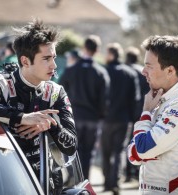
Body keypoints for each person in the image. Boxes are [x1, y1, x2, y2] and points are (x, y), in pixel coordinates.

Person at [0, 19, 77, 195]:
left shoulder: (55, 92)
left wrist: (51, 125)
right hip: (0, 182)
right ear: (25, 61)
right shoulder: (1, 84)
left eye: (54, 58)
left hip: (44, 183)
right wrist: (22, 118)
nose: (54, 66)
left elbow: (71, 146)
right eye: (46, 59)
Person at [127, 35, 178, 194]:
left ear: (170, 70)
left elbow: (139, 151)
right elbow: (135, 151)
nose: (143, 71)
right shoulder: (167, 97)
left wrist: (146, 114)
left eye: (149, 66)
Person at [59, 35, 110, 179]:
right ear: (97, 50)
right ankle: (84, 181)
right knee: (88, 153)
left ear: (84, 48)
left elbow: (60, 92)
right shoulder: (101, 72)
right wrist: (101, 117)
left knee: (71, 150)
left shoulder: (72, 70)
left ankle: (73, 180)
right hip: (92, 119)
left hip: (73, 117)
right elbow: (104, 100)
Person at [101, 43, 141, 194]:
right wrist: (132, 118)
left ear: (111, 55)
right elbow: (135, 98)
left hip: (105, 119)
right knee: (119, 152)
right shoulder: (130, 73)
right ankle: (115, 182)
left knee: (106, 152)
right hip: (124, 119)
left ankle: (106, 183)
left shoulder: (104, 71)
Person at [124, 46, 150, 182]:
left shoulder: (125, 71)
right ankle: (137, 172)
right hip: (143, 110)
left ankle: (128, 173)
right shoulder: (143, 72)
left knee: (128, 143)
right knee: (141, 140)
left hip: (127, 112)